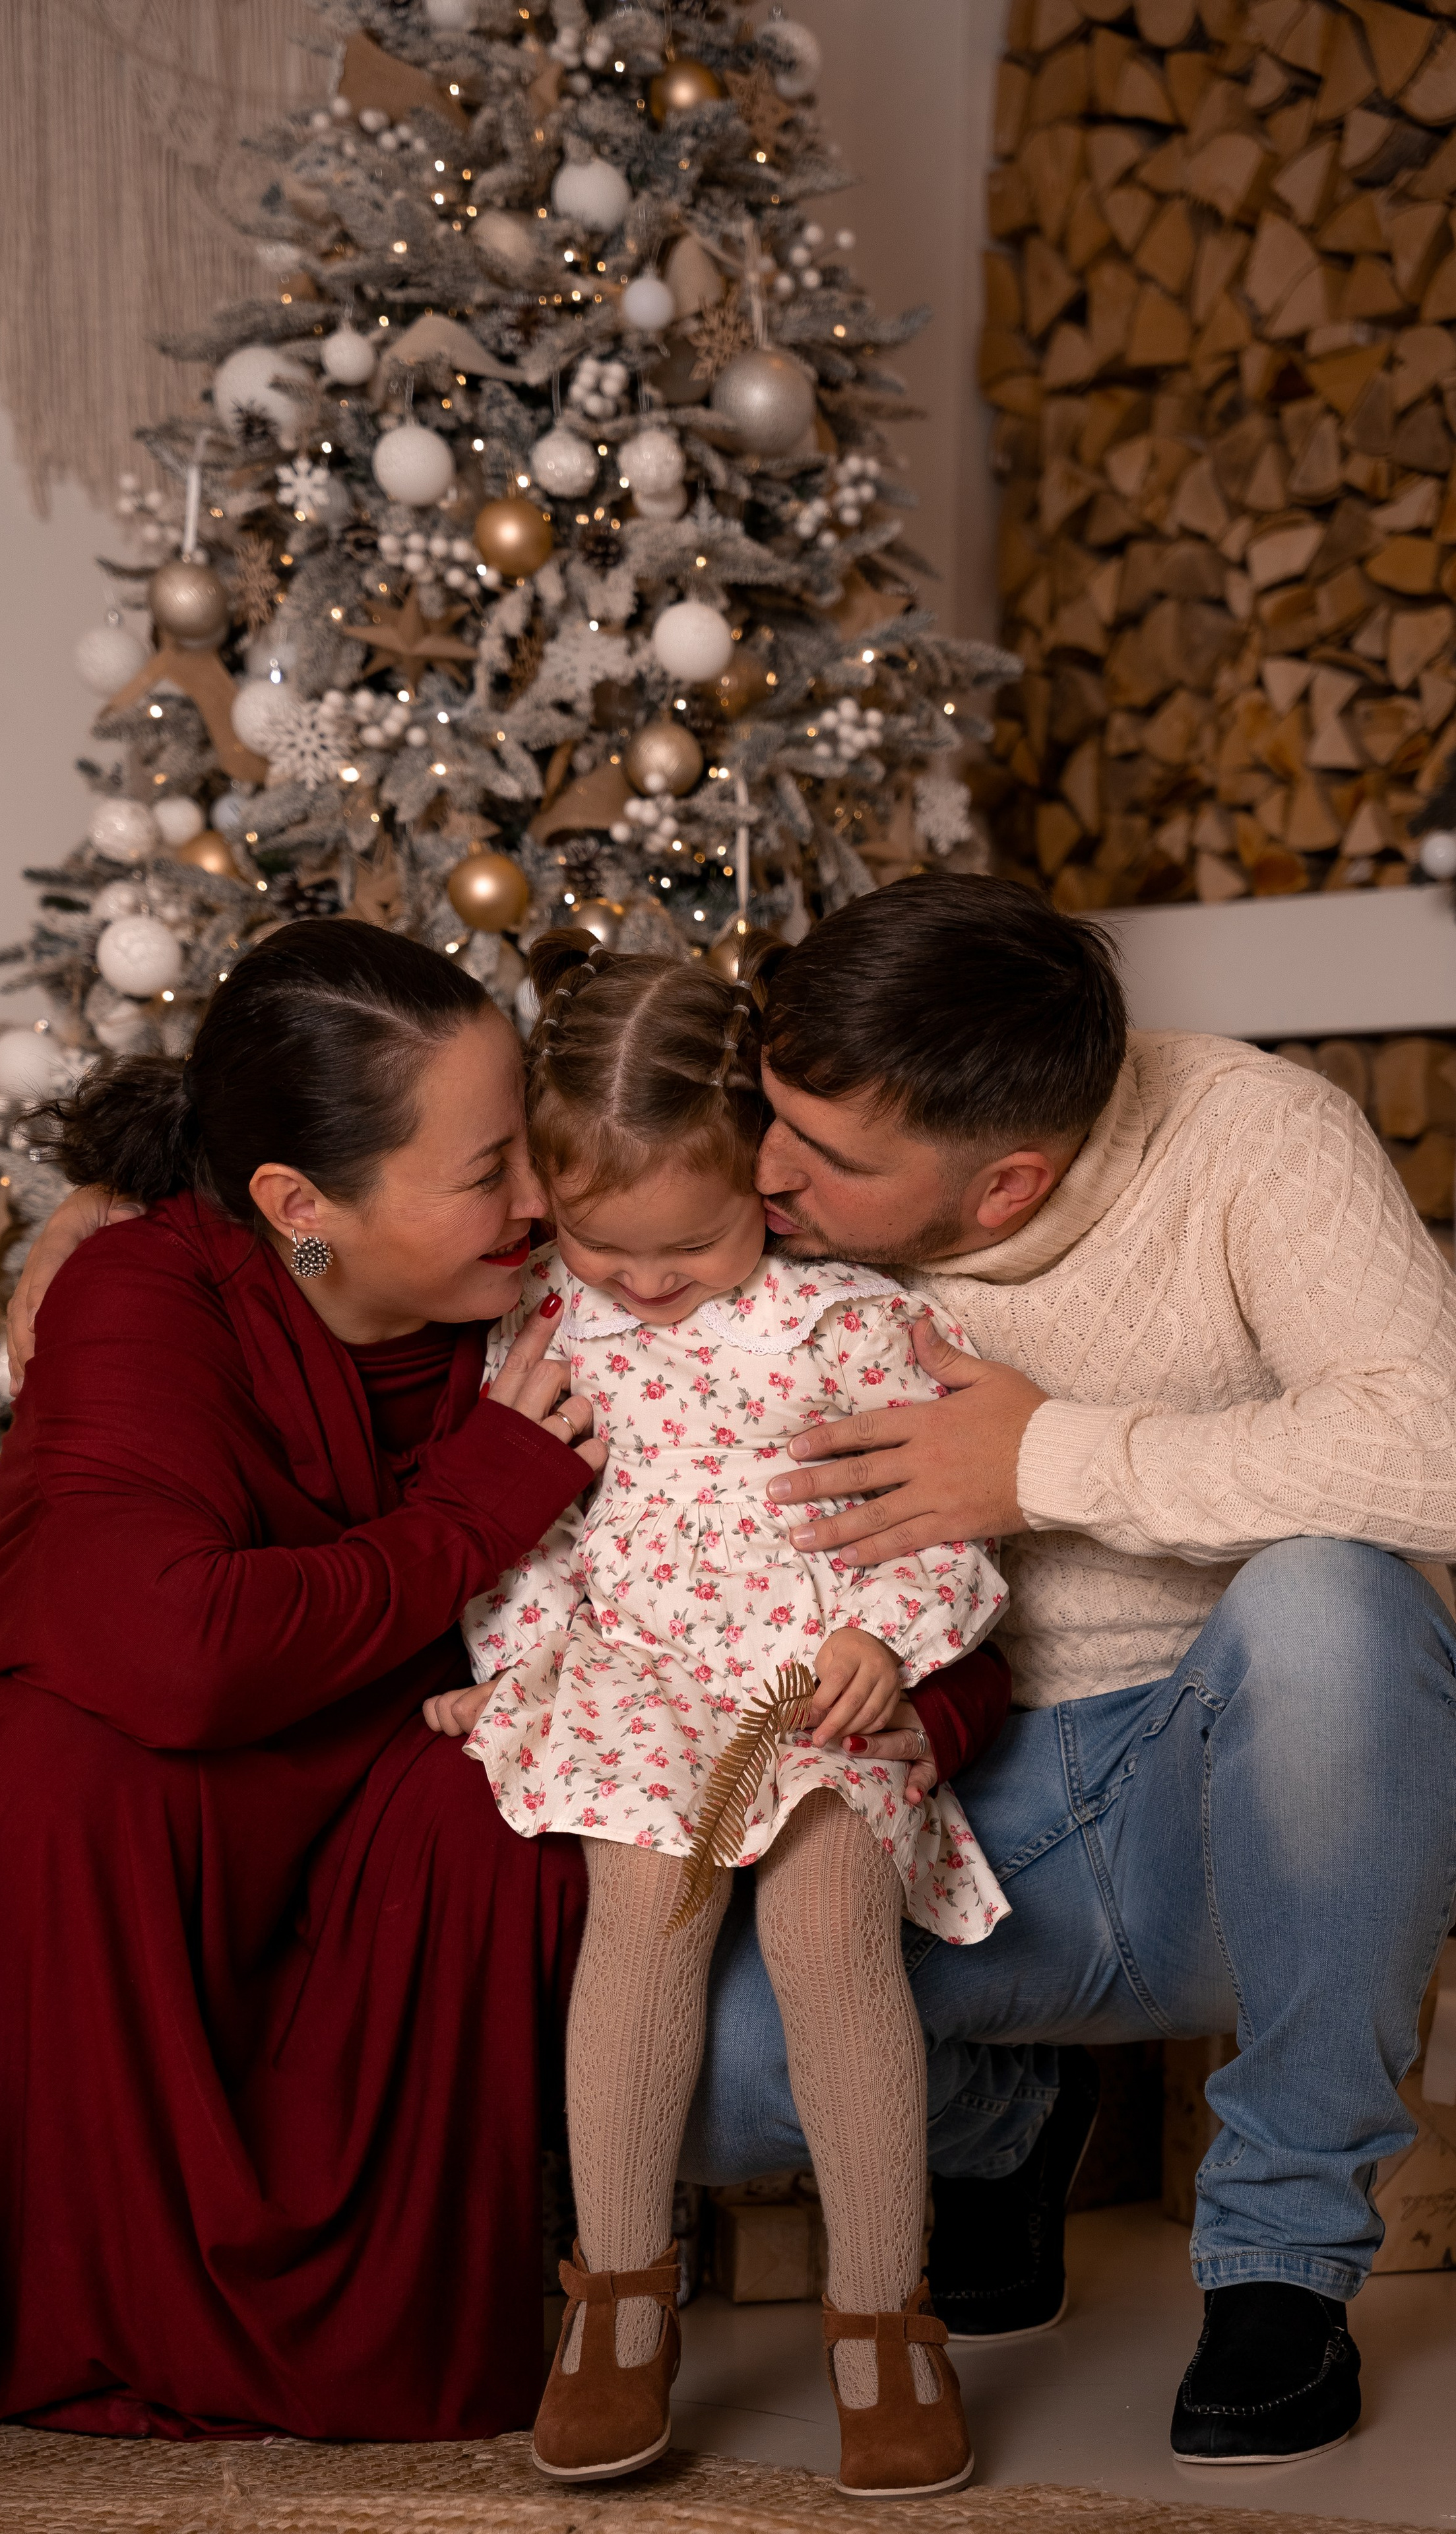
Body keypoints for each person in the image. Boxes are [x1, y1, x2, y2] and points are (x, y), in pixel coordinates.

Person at [681, 871, 1456, 2469]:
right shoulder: (769, 1212)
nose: (764, 1173)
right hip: (963, 1806)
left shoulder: (1254, 1135)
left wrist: (1044, 1462)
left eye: (829, 1157)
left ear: (1004, 1188)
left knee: (1330, 1598)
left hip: (1245, 1807)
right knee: (708, 2083)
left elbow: (1433, 1452)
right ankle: (1005, 2130)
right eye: (770, 1120)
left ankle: (1281, 2261)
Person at [0, 920, 612, 2440]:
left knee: (491, 1810)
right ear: (299, 1207)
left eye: (537, 1146)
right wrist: (472, 1511)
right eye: (487, 1172)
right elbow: (176, 1659)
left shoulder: (585, 1287)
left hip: (383, 1732)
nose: (540, 1200)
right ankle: (84, 2313)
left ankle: (378, 2331)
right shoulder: (142, 1293)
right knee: (48, 1785)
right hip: (142, 1744)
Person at [423, 934, 1013, 2498]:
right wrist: (525, 1675)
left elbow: (951, 1514)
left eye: (683, 1244)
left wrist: (888, 1639)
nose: (640, 1281)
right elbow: (533, 1529)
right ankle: (616, 2301)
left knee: (828, 1932)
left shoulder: (852, 1326)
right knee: (643, 1913)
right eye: (601, 1243)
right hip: (638, 1685)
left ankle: (882, 2320)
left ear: (760, 1169)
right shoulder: (549, 1325)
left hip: (812, 1681)